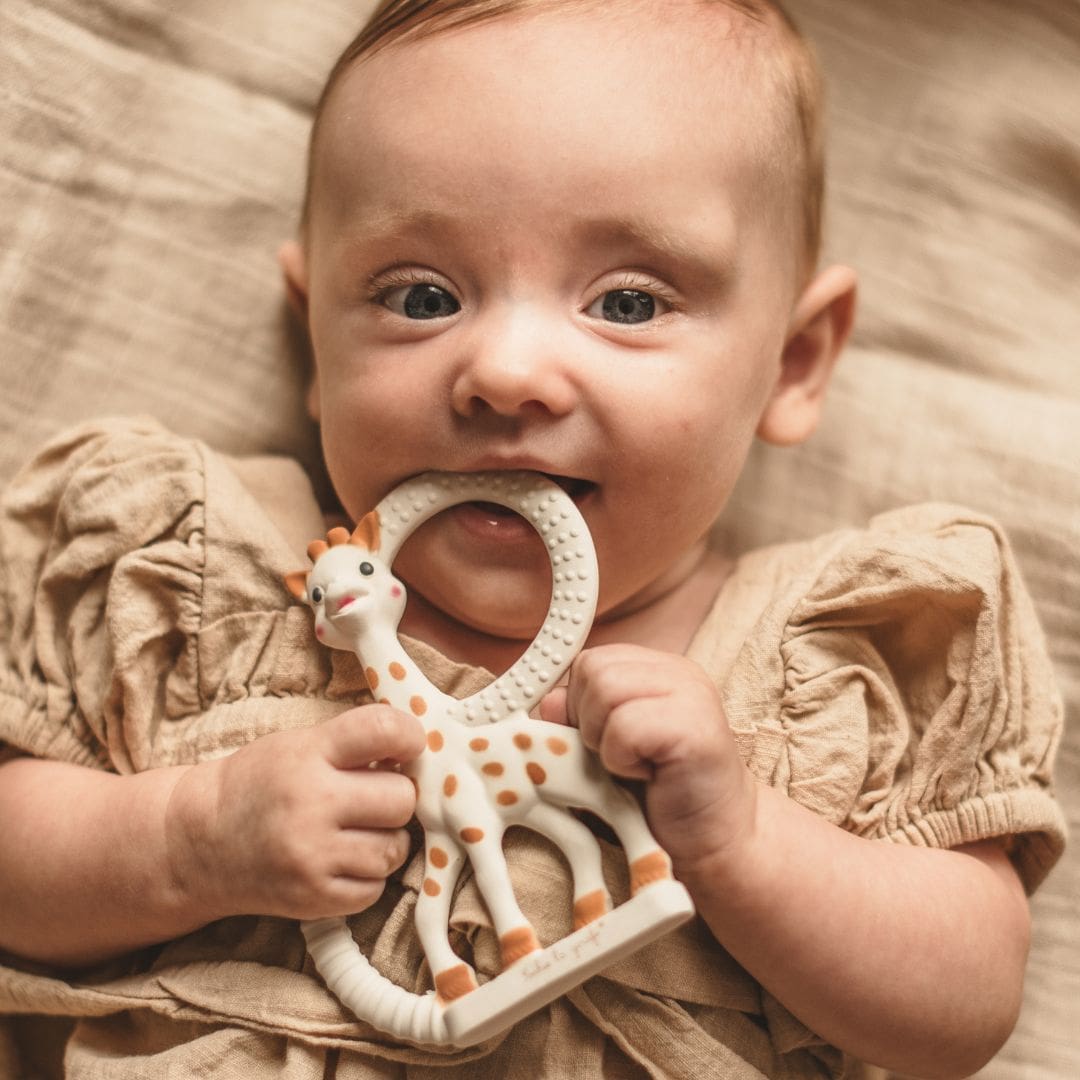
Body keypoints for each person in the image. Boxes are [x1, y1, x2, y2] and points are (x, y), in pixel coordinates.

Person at [0, 1, 1065, 1077]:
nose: (506, 373)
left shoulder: (837, 659)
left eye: (629, 303)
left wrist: (746, 841)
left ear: (791, 363)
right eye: (423, 296)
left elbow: (965, 1006)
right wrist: (189, 838)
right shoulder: (195, 575)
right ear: (315, 339)